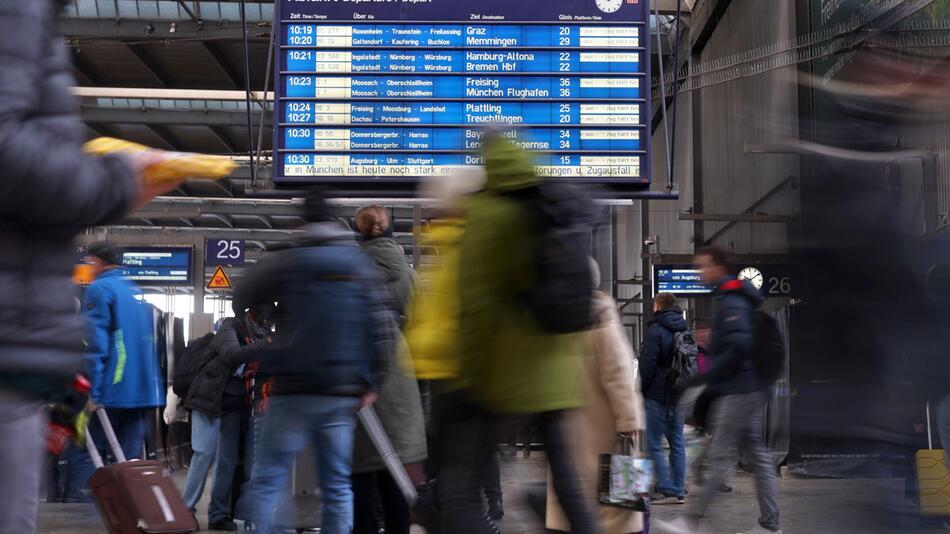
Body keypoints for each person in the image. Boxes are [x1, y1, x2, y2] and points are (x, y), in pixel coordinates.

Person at [0, 2, 175, 529]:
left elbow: (99, 343)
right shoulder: (135, 294)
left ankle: (78, 506)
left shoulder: (101, 290)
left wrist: (90, 384)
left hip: (96, 387)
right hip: (132, 393)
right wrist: (113, 181)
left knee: (82, 467)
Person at [452, 134, 600, 534]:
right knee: (568, 484)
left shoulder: (487, 211)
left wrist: (470, 373)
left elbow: (478, 305)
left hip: (508, 374)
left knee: (458, 490)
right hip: (556, 375)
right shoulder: (549, 202)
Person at [230, 189, 391, 534]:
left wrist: (270, 319)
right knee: (336, 487)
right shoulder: (358, 263)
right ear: (335, 219)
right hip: (340, 392)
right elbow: (378, 327)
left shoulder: (288, 258)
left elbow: (241, 294)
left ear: (300, 220)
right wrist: (372, 381)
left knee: (268, 479)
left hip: (293, 387)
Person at [655, 246, 781, 534]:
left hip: (738, 389)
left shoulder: (730, 298)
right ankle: (771, 526)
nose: (700, 273)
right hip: (747, 386)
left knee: (717, 456)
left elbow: (740, 346)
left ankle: (692, 522)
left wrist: (705, 378)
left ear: (719, 267)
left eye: (704, 267)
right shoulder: (732, 297)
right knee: (758, 458)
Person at [546, 260, 646, 534]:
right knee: (617, 513)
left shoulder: (555, 321)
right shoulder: (602, 319)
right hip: (608, 436)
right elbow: (622, 379)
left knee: (572, 505)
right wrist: (631, 424)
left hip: (567, 434)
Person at [64, 242, 164, 502]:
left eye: (91, 262)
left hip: (111, 389)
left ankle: (83, 512)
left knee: (84, 449)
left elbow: (97, 344)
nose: (89, 267)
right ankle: (129, 512)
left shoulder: (100, 288)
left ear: (99, 262)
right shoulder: (131, 290)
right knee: (129, 458)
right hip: (139, 391)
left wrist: (93, 393)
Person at [351, 205, 427, 534]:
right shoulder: (408, 274)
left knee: (359, 474)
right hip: (400, 379)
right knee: (394, 470)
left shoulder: (350, 270)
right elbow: (423, 326)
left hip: (359, 379)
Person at [180, 304, 273, 531]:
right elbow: (232, 355)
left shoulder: (263, 336)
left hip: (234, 403)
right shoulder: (229, 328)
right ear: (254, 314)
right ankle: (184, 511)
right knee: (204, 454)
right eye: (266, 318)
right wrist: (268, 344)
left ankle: (218, 514)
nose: (268, 323)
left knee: (227, 461)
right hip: (208, 399)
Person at [639, 292, 690, 505]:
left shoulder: (656, 330)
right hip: (678, 394)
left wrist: (642, 391)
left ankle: (665, 486)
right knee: (677, 442)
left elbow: (647, 365)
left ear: (658, 306)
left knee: (653, 444)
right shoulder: (685, 329)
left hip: (658, 395)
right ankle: (679, 489)